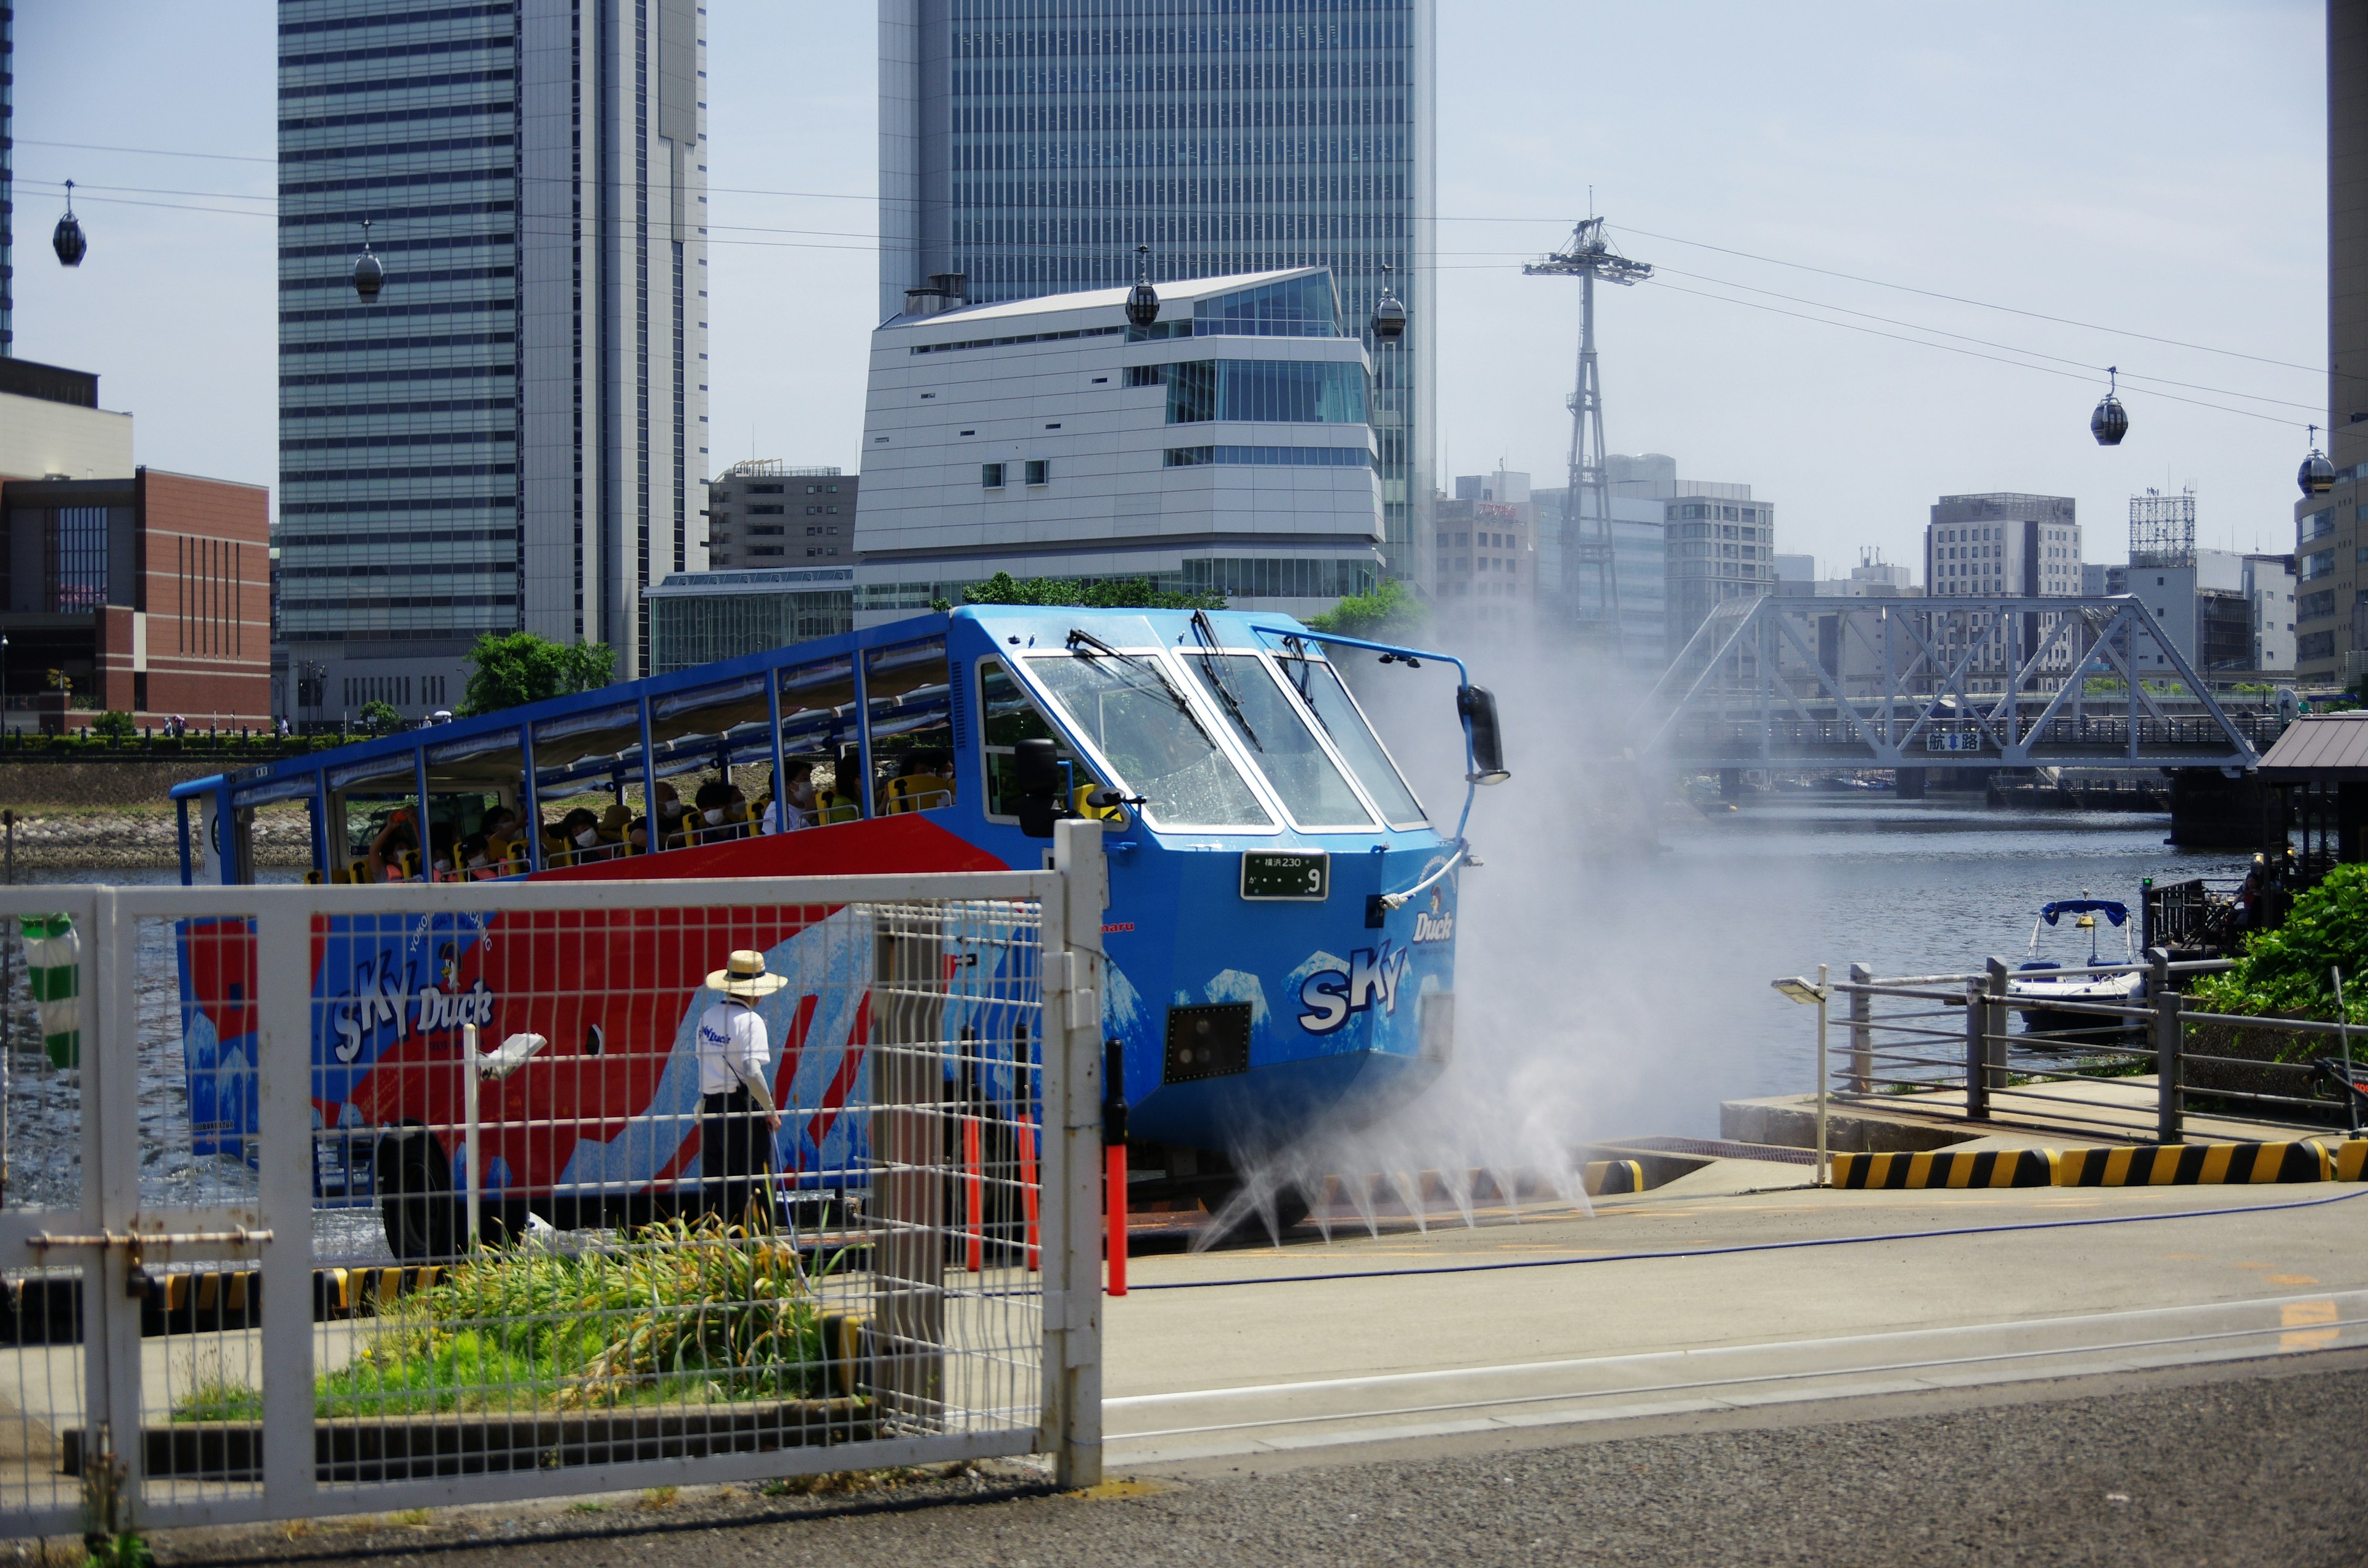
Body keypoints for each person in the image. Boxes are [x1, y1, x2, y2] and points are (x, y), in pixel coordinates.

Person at [696, 950, 787, 1226]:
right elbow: (752, 1072)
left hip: (710, 1110)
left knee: (720, 1190)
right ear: (757, 993)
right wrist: (770, 1110)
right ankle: (755, 1256)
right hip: (740, 1112)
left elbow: (702, 1063)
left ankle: (722, 1256)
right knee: (755, 1189)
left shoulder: (708, 1017)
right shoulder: (751, 1022)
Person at [762, 761, 817, 834]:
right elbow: (778, 841)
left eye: (809, 779)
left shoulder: (810, 804)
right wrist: (809, 816)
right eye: (805, 779)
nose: (809, 784)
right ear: (788, 786)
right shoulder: (775, 811)